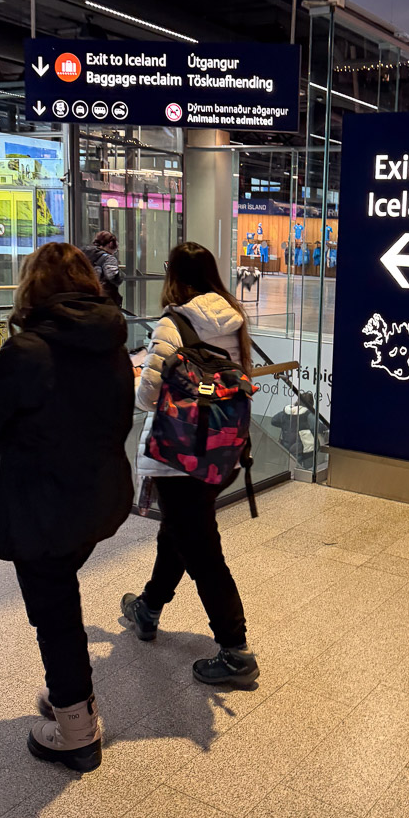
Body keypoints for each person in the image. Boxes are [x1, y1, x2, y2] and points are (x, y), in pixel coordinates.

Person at [0, 243, 135, 772]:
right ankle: (72, 693)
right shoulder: (111, 341)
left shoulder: (28, 351)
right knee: (62, 594)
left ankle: (76, 731)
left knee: (54, 613)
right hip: (97, 498)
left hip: (42, 505)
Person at [122, 242, 259, 688]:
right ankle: (149, 607)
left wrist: (140, 372)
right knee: (180, 533)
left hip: (176, 453)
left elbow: (147, 396)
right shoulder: (235, 318)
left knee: (200, 547)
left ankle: (236, 651)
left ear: (176, 276)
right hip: (222, 449)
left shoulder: (174, 322)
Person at [82, 230, 124, 307]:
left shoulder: (83, 254)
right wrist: (121, 274)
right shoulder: (109, 258)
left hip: (84, 296)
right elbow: (113, 277)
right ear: (110, 244)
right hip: (103, 299)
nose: (115, 251)